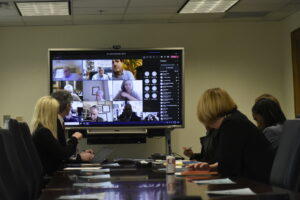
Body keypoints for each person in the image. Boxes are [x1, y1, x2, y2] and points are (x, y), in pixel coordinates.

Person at [189, 88, 274, 183]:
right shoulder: (235, 118)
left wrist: (212, 167)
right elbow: (230, 162)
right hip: (259, 180)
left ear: (206, 109)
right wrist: (210, 167)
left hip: (257, 184)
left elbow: (228, 168)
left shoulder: (231, 124)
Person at [31, 96, 83, 175]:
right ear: (50, 113)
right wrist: (74, 138)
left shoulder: (42, 129)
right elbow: (63, 155)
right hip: (51, 176)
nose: (58, 116)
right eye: (56, 112)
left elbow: (58, 152)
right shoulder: (43, 132)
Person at [51, 90, 94, 162]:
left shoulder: (59, 121)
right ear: (68, 106)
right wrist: (74, 139)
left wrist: (79, 155)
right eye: (70, 104)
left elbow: (61, 151)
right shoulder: (55, 124)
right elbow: (61, 156)